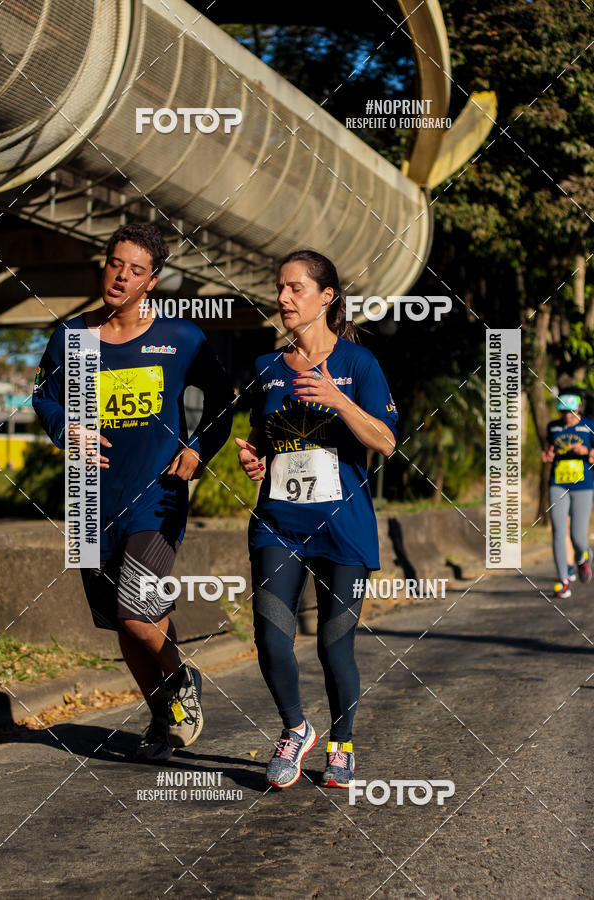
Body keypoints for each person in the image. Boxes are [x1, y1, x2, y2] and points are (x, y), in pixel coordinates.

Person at [33, 223, 234, 760]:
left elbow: (223, 400)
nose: (121, 275)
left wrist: (198, 449)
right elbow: (45, 399)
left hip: (155, 497)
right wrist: (66, 429)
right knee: (119, 624)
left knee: (137, 613)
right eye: (114, 263)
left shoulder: (181, 338)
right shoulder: (71, 339)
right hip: (88, 497)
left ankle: (179, 675)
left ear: (153, 281)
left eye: (136, 269)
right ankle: (162, 713)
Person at [236, 249, 398, 789]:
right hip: (278, 523)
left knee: (334, 644)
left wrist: (340, 401)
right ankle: (295, 727)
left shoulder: (358, 365)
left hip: (343, 528)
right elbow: (265, 436)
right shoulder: (266, 368)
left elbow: (386, 442)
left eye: (295, 289)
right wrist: (255, 455)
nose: (283, 298)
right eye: (280, 288)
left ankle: (342, 744)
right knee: (271, 635)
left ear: (326, 298)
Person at [541, 390, 594, 598]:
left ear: (578, 408)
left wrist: (587, 453)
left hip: (583, 485)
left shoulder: (589, 426)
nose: (567, 416)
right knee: (558, 532)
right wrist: (547, 455)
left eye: (570, 411)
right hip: (558, 484)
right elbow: (548, 450)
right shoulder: (553, 427)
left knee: (577, 536)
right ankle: (563, 581)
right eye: (563, 412)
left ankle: (583, 557)